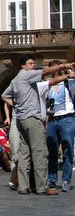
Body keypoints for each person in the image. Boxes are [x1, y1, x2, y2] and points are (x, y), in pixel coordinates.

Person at [1, 56, 73, 195]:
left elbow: (5, 95)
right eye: (30, 63)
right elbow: (46, 72)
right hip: (32, 119)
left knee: (24, 154)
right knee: (40, 152)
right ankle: (42, 187)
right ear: (23, 65)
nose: (33, 65)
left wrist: (17, 106)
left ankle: (23, 186)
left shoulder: (15, 80)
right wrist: (64, 67)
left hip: (21, 120)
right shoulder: (27, 75)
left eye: (34, 63)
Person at [45, 61, 75, 192]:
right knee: (52, 151)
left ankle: (66, 180)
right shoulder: (48, 84)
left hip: (67, 118)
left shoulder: (69, 82)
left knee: (68, 150)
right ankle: (52, 179)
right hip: (52, 120)